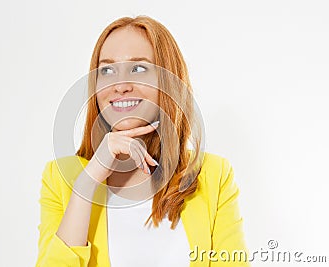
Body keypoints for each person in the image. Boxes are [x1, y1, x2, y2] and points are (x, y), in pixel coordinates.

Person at [36, 16, 250, 267]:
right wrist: (88, 180)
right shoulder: (61, 179)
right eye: (107, 70)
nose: (120, 85)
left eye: (138, 68)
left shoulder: (213, 175)